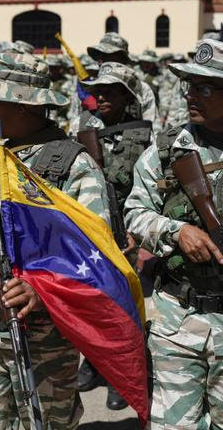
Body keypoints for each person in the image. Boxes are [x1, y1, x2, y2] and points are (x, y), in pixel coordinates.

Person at [0, 52, 110, 430]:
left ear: (25, 106)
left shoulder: (73, 165)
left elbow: (95, 255)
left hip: (44, 337)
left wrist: (40, 290)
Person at [125, 38, 223, 428]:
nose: (191, 96)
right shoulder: (167, 151)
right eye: (188, 85)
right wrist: (175, 230)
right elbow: (134, 212)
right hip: (178, 318)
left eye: (204, 87)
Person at [70, 61, 153, 410]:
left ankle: (123, 375)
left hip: (124, 236)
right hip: (89, 234)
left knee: (122, 308)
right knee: (92, 305)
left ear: (126, 96)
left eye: (109, 91)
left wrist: (138, 233)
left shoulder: (145, 136)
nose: (99, 96)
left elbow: (151, 192)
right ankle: (93, 362)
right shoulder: (82, 129)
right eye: (96, 91)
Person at [87, 33, 158, 128]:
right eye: (99, 55)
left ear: (121, 58)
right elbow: (77, 122)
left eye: (106, 55)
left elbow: (151, 126)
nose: (100, 60)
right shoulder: (90, 85)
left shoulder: (141, 88)